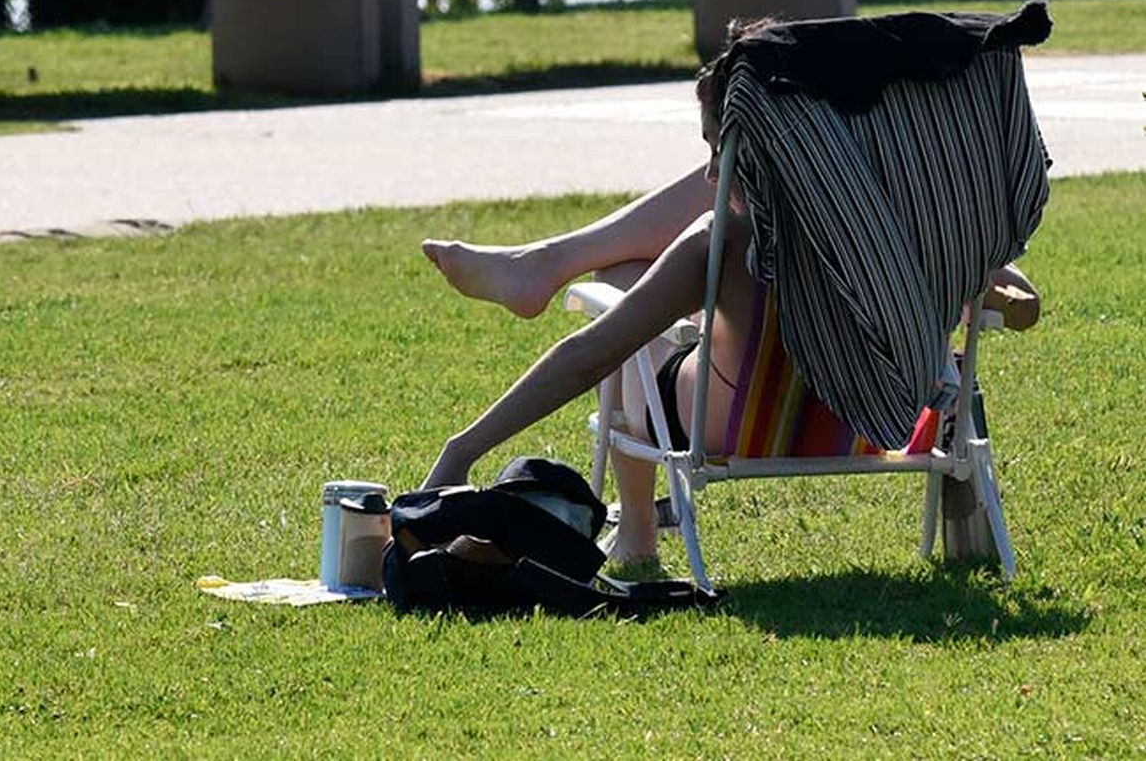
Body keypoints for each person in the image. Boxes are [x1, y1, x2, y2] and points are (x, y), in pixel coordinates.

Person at [417, 32, 1041, 572]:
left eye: (719, 148)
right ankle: (551, 270)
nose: (713, 174)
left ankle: (636, 532)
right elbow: (1024, 301)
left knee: (620, 292)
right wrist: (997, 294)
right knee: (654, 284)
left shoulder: (717, 242)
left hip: (739, 427)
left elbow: (586, 358)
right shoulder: (903, 222)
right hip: (880, 426)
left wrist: (464, 448)